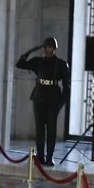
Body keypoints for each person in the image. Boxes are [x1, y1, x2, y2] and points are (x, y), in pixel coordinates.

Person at [15, 36, 70, 165]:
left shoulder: (61, 64)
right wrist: (31, 51)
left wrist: (62, 102)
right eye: (45, 47)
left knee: (51, 129)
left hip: (53, 98)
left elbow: (66, 86)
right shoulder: (38, 61)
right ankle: (40, 157)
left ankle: (49, 157)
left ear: (54, 48)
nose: (47, 49)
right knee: (40, 129)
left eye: (50, 47)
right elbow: (20, 64)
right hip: (39, 97)